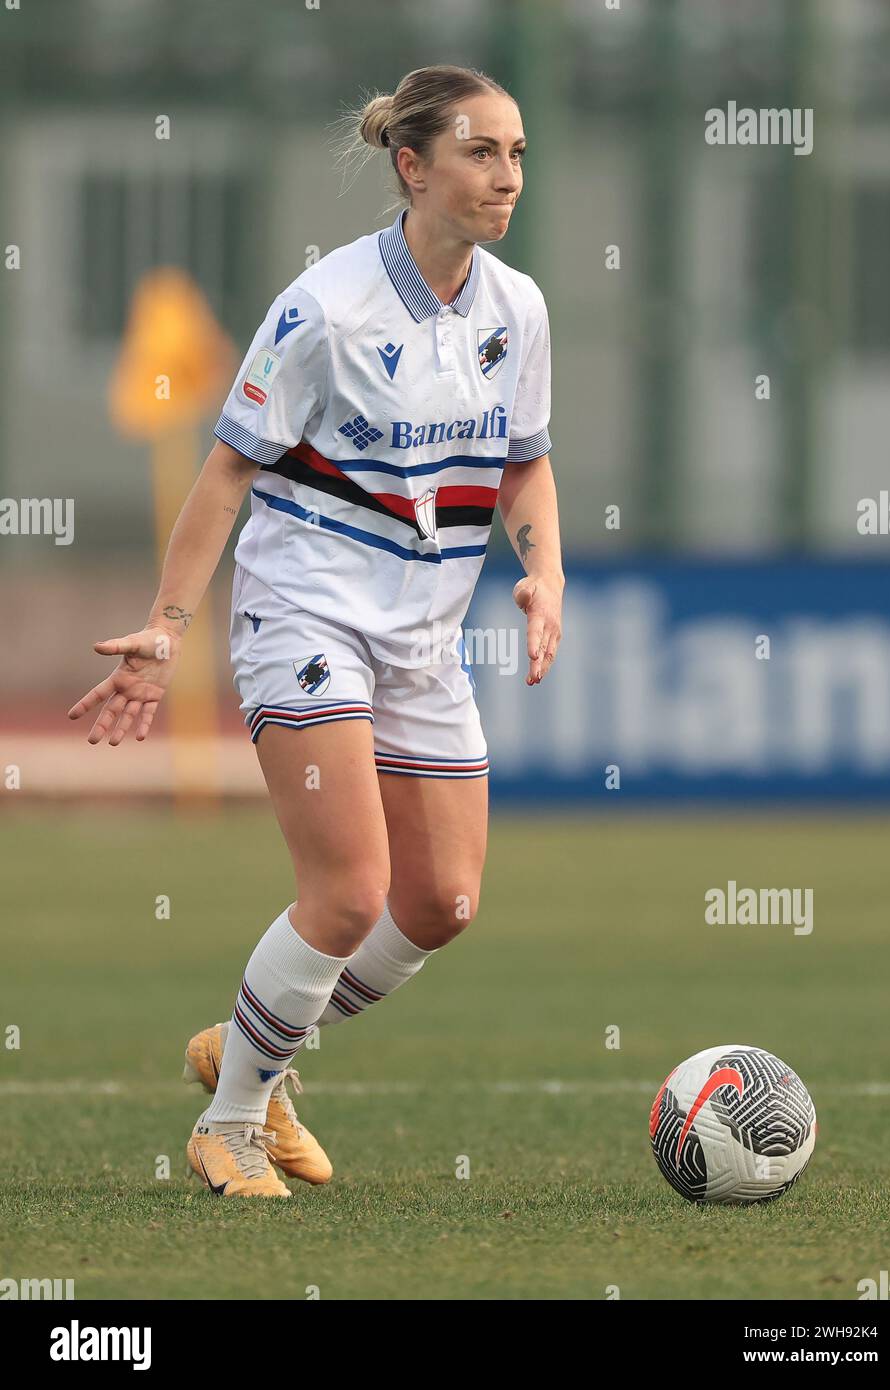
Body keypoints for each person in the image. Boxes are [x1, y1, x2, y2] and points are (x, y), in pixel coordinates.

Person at [68, 64, 565, 1198]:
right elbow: (227, 469)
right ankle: (231, 1120)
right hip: (304, 610)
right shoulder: (324, 307)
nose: (507, 177)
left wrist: (545, 573)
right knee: (347, 891)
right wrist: (166, 625)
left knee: (440, 903)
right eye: (483, 152)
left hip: (424, 636)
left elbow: (527, 464)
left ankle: (252, 1041)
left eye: (519, 153)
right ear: (413, 165)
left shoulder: (517, 307)